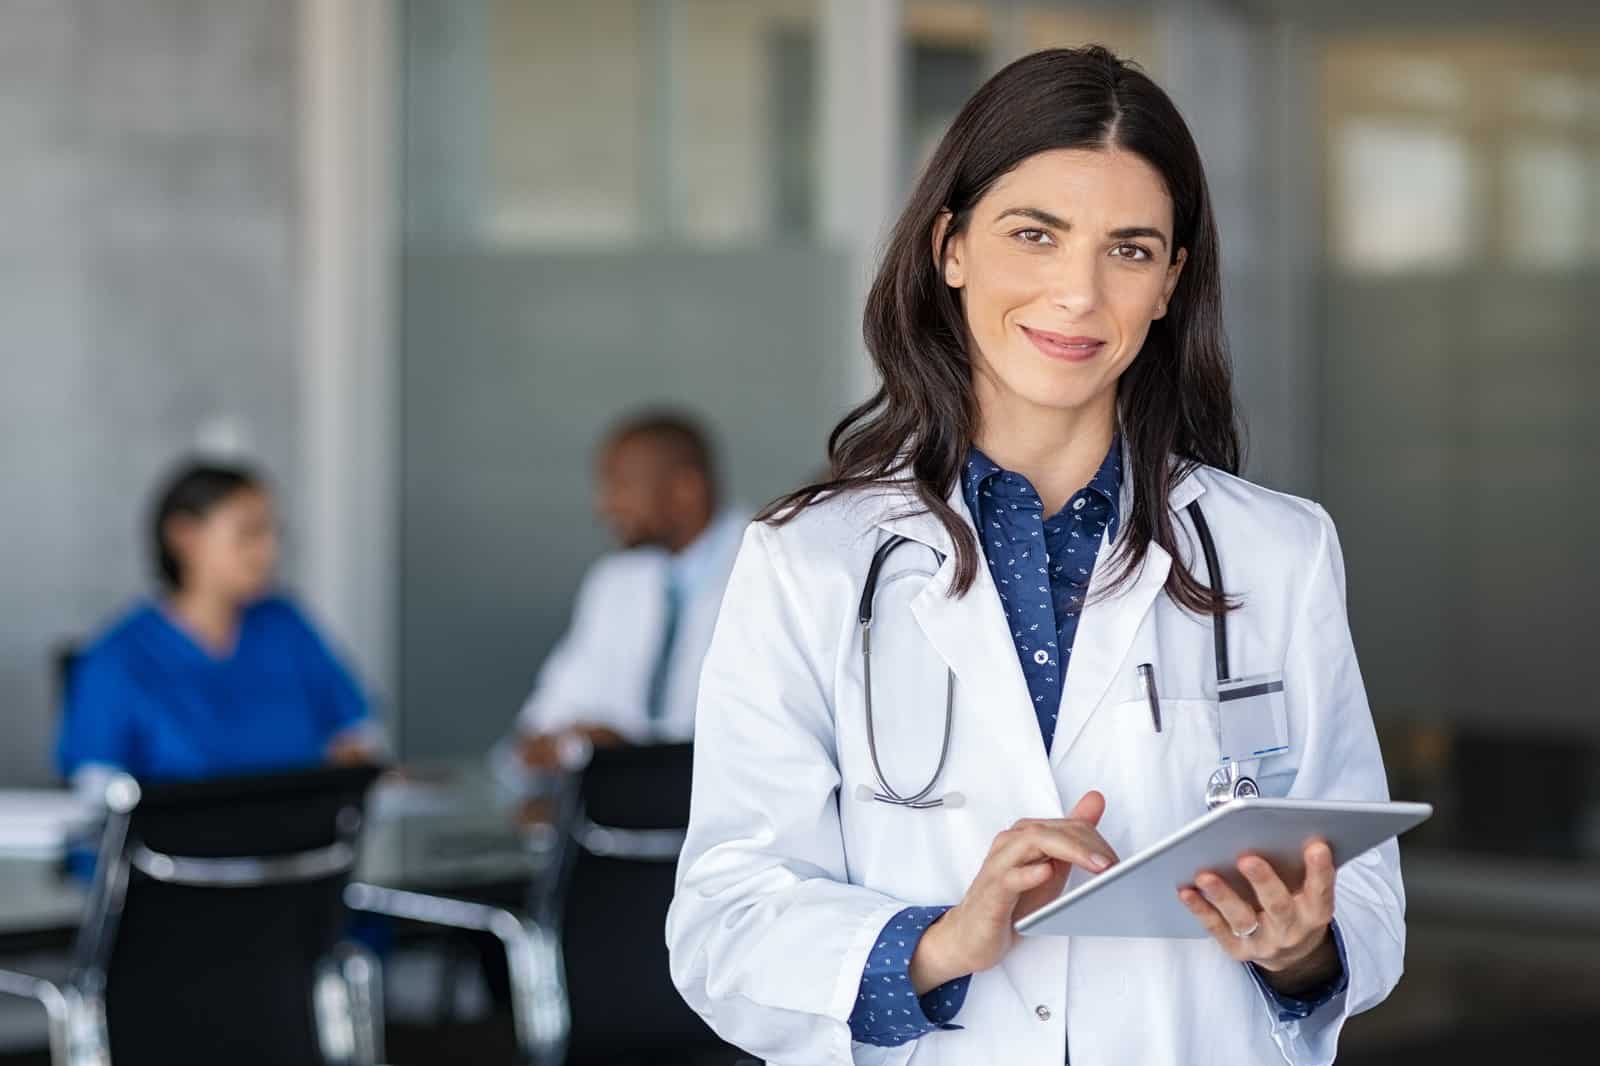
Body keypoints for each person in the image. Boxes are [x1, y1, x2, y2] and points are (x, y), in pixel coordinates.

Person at [666, 47, 1403, 1065]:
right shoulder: (810, 561)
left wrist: (1300, 947)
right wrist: (936, 943)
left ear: (1169, 283)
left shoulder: (1275, 552)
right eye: (1035, 235)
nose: (1078, 293)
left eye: (1129, 250)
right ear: (950, 247)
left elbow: (1362, 888)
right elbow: (723, 920)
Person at [57, 461, 380, 794]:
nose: (269, 551)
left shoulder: (286, 627)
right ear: (185, 536)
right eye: (250, 533)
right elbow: (97, 793)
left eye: (273, 533)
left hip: (301, 842)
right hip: (174, 846)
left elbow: (355, 734)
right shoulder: (117, 658)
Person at [505, 411, 745, 771]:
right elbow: (545, 720)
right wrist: (566, 741)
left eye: (622, 486)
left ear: (685, 489)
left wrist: (625, 749)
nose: (604, 506)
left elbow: (748, 738)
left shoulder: (768, 571)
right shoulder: (614, 581)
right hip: (615, 815)